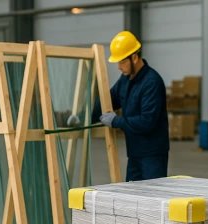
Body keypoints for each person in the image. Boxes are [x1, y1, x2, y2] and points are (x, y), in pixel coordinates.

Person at [69, 31, 169, 182]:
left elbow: (147, 121)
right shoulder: (126, 80)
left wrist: (116, 121)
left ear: (134, 57)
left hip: (152, 154)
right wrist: (82, 117)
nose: (118, 67)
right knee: (132, 197)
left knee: (152, 199)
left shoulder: (152, 82)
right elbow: (107, 100)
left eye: (122, 62)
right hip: (135, 152)